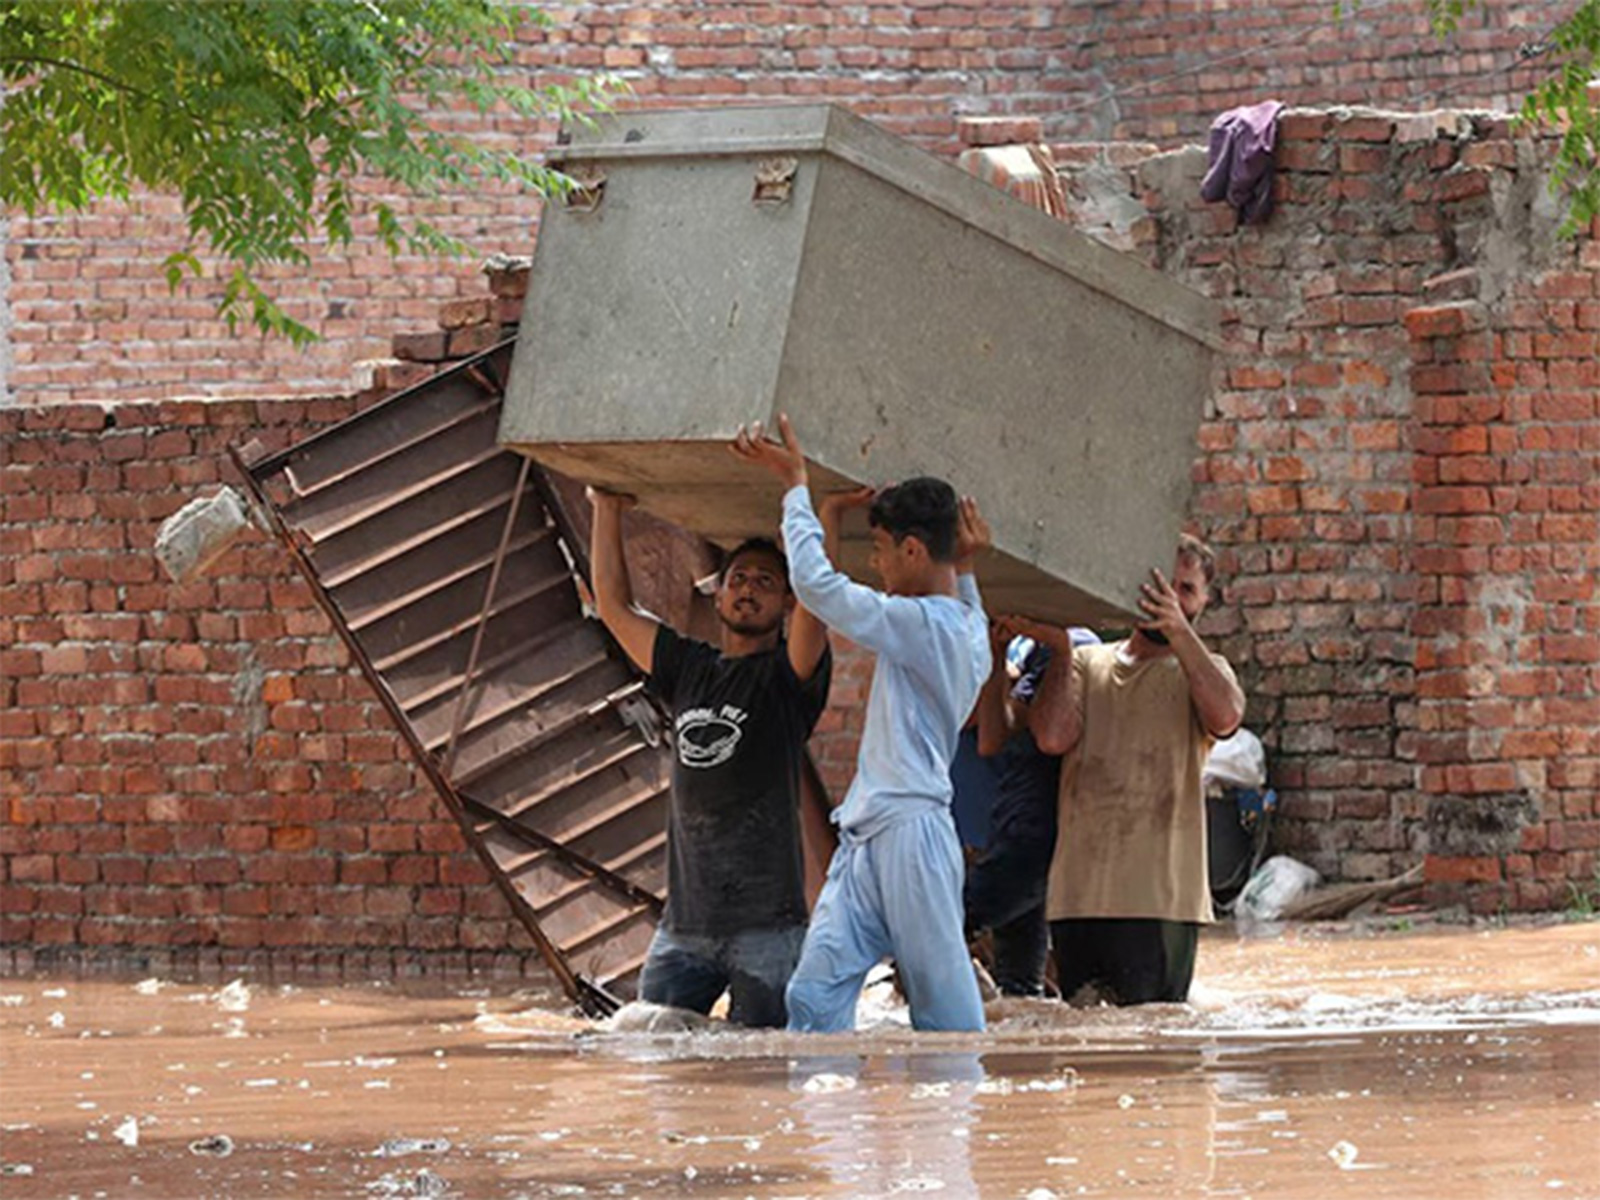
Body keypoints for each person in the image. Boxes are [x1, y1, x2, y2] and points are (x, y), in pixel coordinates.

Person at [731, 414, 992, 1033]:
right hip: (869, 835)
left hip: (913, 837)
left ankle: (960, 1123)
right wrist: (970, 565)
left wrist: (794, 485)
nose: (876, 566)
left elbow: (818, 588)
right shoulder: (966, 623)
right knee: (813, 998)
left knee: (945, 1016)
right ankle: (825, 1129)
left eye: (879, 552)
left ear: (912, 549)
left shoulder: (925, 624)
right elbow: (967, 599)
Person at [587, 488, 832, 1027]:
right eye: (739, 580)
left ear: (788, 603)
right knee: (656, 1059)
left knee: (765, 1068)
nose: (749, 590)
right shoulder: (689, 668)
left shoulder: (788, 682)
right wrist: (606, 508)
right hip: (685, 928)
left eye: (766, 583)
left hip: (768, 930)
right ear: (718, 597)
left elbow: (818, 608)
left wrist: (819, 518)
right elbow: (612, 606)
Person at [1011, 534, 1245, 1005]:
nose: (1171, 599)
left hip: (1162, 902)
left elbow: (1227, 717)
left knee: (1156, 1045)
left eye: (1186, 590)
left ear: (1202, 603)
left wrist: (1179, 632)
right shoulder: (1083, 661)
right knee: (1085, 1037)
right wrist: (1058, 649)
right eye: (1162, 585)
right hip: (1079, 896)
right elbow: (1052, 736)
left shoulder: (1204, 669)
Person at [963, 625, 1100, 997]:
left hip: (1037, 843)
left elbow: (1050, 736)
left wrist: (1057, 648)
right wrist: (996, 650)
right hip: (1011, 830)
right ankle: (1013, 1053)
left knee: (942, 925)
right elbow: (991, 739)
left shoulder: (1079, 647)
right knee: (1021, 991)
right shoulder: (1030, 650)